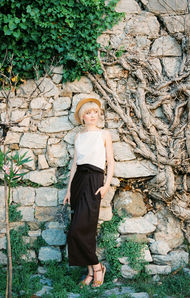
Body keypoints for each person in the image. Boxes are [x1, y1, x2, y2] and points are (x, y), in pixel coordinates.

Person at [63, 97, 114, 288]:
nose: (92, 115)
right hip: (78, 182)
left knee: (82, 228)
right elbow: (74, 165)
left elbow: (111, 161)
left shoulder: (104, 134)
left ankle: (98, 267)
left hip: (94, 181)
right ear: (82, 117)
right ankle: (91, 271)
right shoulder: (78, 136)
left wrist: (106, 185)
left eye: (94, 112)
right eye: (88, 113)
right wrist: (69, 190)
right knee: (80, 229)